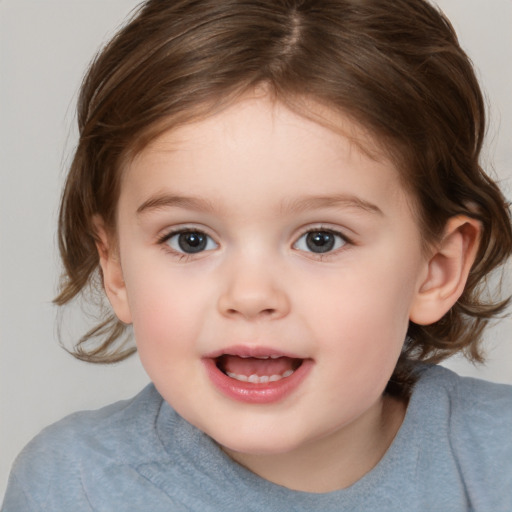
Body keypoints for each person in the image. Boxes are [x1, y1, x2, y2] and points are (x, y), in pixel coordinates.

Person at [2, 0, 512, 510]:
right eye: (190, 239)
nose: (250, 296)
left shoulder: (497, 462)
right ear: (115, 268)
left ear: (435, 270)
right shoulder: (75, 486)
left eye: (321, 239)